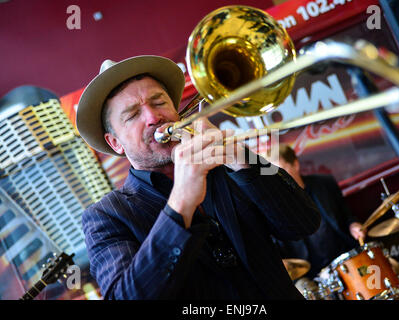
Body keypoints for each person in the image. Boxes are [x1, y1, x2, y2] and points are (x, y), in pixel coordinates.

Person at [76, 55, 321, 300]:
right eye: (132, 115)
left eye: (159, 102)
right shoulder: (105, 217)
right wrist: (181, 202)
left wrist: (243, 159)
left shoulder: (230, 165)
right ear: (115, 143)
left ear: (176, 111)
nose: (153, 117)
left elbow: (305, 222)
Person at [267, 144, 366, 279]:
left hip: (345, 258)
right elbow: (276, 245)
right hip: (311, 275)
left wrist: (353, 225)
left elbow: (346, 214)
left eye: (281, 170)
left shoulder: (324, 183)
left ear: (295, 165)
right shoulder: (274, 207)